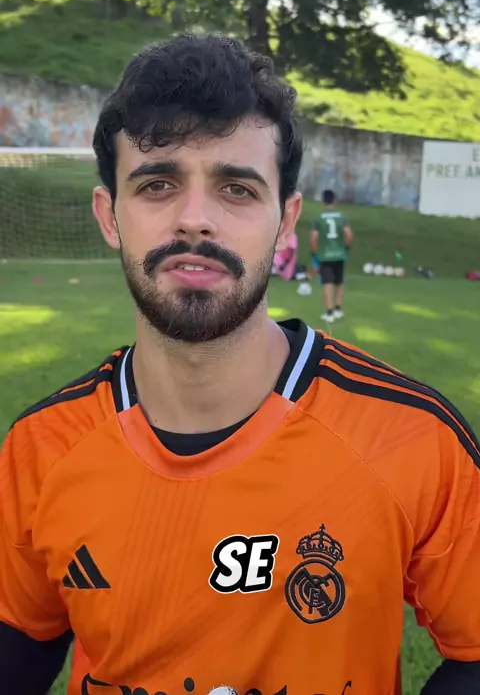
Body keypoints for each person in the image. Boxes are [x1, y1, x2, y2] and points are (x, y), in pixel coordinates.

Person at [1, 34, 479, 695]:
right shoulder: (41, 449)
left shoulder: (413, 437)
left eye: (236, 188)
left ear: (286, 222)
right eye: (158, 184)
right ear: (110, 217)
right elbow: (18, 646)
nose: (195, 220)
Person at [310, 190, 353, 323]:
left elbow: (314, 238)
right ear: (334, 200)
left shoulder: (319, 218)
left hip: (325, 256)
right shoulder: (342, 217)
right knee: (339, 282)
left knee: (327, 283)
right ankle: (338, 309)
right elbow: (348, 235)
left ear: (323, 201)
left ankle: (329, 312)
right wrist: (346, 247)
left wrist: (314, 252)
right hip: (339, 254)